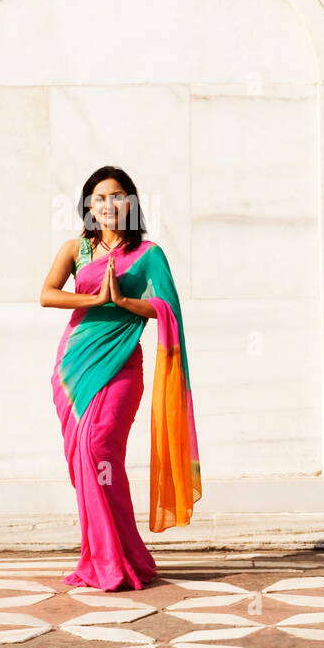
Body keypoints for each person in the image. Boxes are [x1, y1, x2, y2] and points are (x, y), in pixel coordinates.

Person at [40, 165, 202, 591]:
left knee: (99, 451)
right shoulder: (76, 249)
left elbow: (166, 308)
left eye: (115, 196)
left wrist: (124, 301)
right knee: (83, 460)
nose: (107, 204)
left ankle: (119, 557)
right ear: (88, 206)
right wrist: (94, 298)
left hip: (122, 365)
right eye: (98, 197)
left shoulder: (149, 254)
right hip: (74, 367)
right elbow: (47, 294)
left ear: (130, 202)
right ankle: (108, 555)